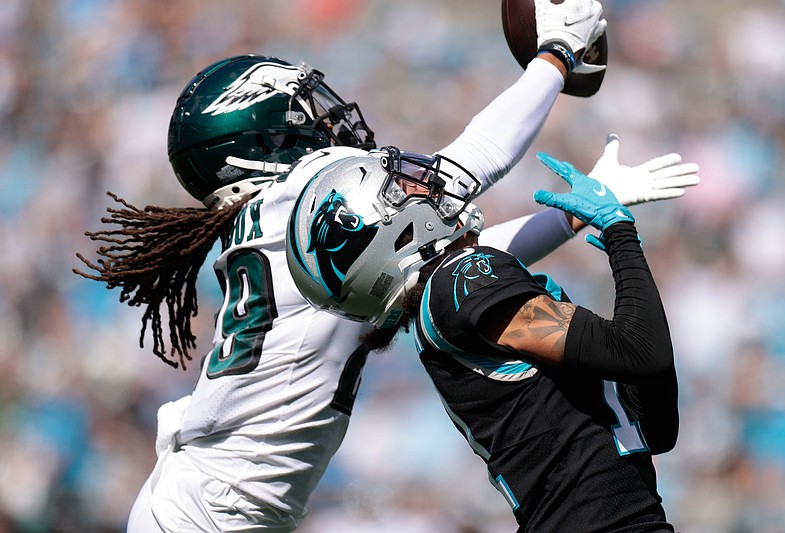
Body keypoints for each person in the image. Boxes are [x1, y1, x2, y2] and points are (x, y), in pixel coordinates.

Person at [74, 2, 696, 529]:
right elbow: (463, 173)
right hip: (216, 509)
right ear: (261, 142)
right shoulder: (304, 200)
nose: (328, 118)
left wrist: (572, 214)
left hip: (208, 502)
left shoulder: (282, 228)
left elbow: (442, 263)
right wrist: (555, 56)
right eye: (302, 112)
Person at [285, 145, 685, 532]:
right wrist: (620, 235)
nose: (426, 185)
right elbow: (642, 353)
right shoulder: (465, 278)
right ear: (388, 231)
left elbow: (655, 428)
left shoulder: (445, 300)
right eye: (400, 189)